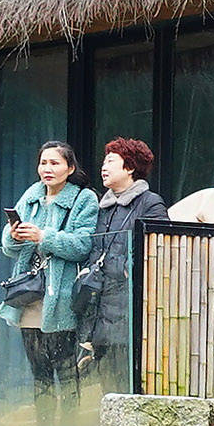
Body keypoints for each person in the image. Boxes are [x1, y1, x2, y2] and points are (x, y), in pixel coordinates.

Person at [0, 140, 96, 414]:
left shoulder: (83, 198)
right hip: (30, 296)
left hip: (63, 297)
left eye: (55, 163)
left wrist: (44, 236)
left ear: (70, 167)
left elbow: (83, 245)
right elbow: (8, 247)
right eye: (43, 163)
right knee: (38, 372)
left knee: (66, 371)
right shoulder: (31, 195)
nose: (47, 169)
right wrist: (15, 235)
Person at [78, 137, 167, 387]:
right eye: (103, 162)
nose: (103, 167)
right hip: (99, 307)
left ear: (129, 167)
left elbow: (159, 254)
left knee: (127, 379)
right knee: (106, 383)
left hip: (130, 307)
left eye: (111, 161)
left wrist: (123, 270)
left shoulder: (150, 203)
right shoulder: (102, 207)